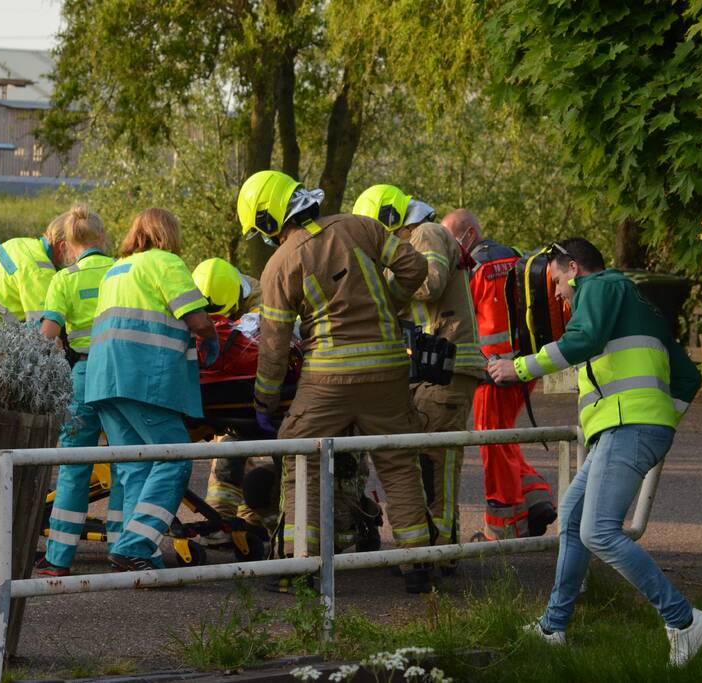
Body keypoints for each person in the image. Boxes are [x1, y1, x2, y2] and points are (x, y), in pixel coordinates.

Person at [486, 237, 702, 666]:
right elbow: (687, 379)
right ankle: (554, 628)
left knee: (598, 532)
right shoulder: (636, 303)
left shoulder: (601, 286)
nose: (555, 293)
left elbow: (582, 341)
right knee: (571, 518)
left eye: (555, 281)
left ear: (572, 268)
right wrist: (662, 419)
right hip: (630, 428)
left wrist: (516, 368)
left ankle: (682, 620)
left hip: (628, 428)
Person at [237, 170, 433, 593]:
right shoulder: (361, 226)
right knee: (398, 461)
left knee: (301, 458)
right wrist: (389, 303)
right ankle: (417, 564)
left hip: (327, 379)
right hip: (387, 369)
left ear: (270, 221)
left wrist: (265, 403)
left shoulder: (279, 264)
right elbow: (414, 267)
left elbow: (272, 347)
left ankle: (300, 569)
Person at [353, 185, 483, 573]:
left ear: (390, 220)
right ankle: (440, 551)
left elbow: (429, 282)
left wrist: (382, 283)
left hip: (445, 368)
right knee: (431, 462)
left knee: (434, 465)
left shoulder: (424, 233)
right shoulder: (422, 237)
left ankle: (436, 554)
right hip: (435, 368)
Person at [85, 208, 220, 571]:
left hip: (103, 381)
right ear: (168, 234)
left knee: (135, 471)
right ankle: (135, 545)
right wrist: (211, 336)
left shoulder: (116, 269)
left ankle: (138, 554)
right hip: (142, 380)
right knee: (175, 457)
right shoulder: (166, 263)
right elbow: (196, 318)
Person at [441, 209, 555, 540]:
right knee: (502, 436)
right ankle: (535, 496)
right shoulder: (517, 258)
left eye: (451, 237)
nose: (449, 244)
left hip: (493, 370)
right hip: (525, 365)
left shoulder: (471, 267)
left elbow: (461, 319)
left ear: (469, 233)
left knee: (492, 441)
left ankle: (503, 529)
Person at [34, 205, 122, 577]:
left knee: (73, 467)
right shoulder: (122, 271)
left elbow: (48, 334)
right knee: (124, 463)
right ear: (102, 237)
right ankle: (123, 550)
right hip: (120, 373)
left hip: (84, 373)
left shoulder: (64, 280)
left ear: (68, 244)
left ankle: (58, 558)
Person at [191, 257, 265, 540]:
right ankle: (220, 518)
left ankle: (251, 521)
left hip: (251, 384)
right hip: (222, 381)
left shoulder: (262, 298)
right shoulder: (198, 288)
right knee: (227, 451)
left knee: (256, 451)